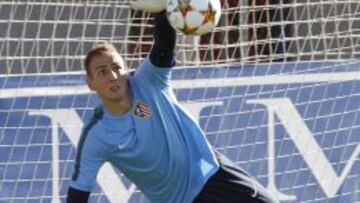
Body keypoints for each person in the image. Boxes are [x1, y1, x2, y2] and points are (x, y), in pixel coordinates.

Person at [66, 5, 279, 203]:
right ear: (90, 84)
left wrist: (160, 10)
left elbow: (163, 48)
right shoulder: (96, 135)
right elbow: (78, 192)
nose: (113, 76)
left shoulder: (148, 81)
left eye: (117, 67)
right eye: (102, 71)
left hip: (213, 174)